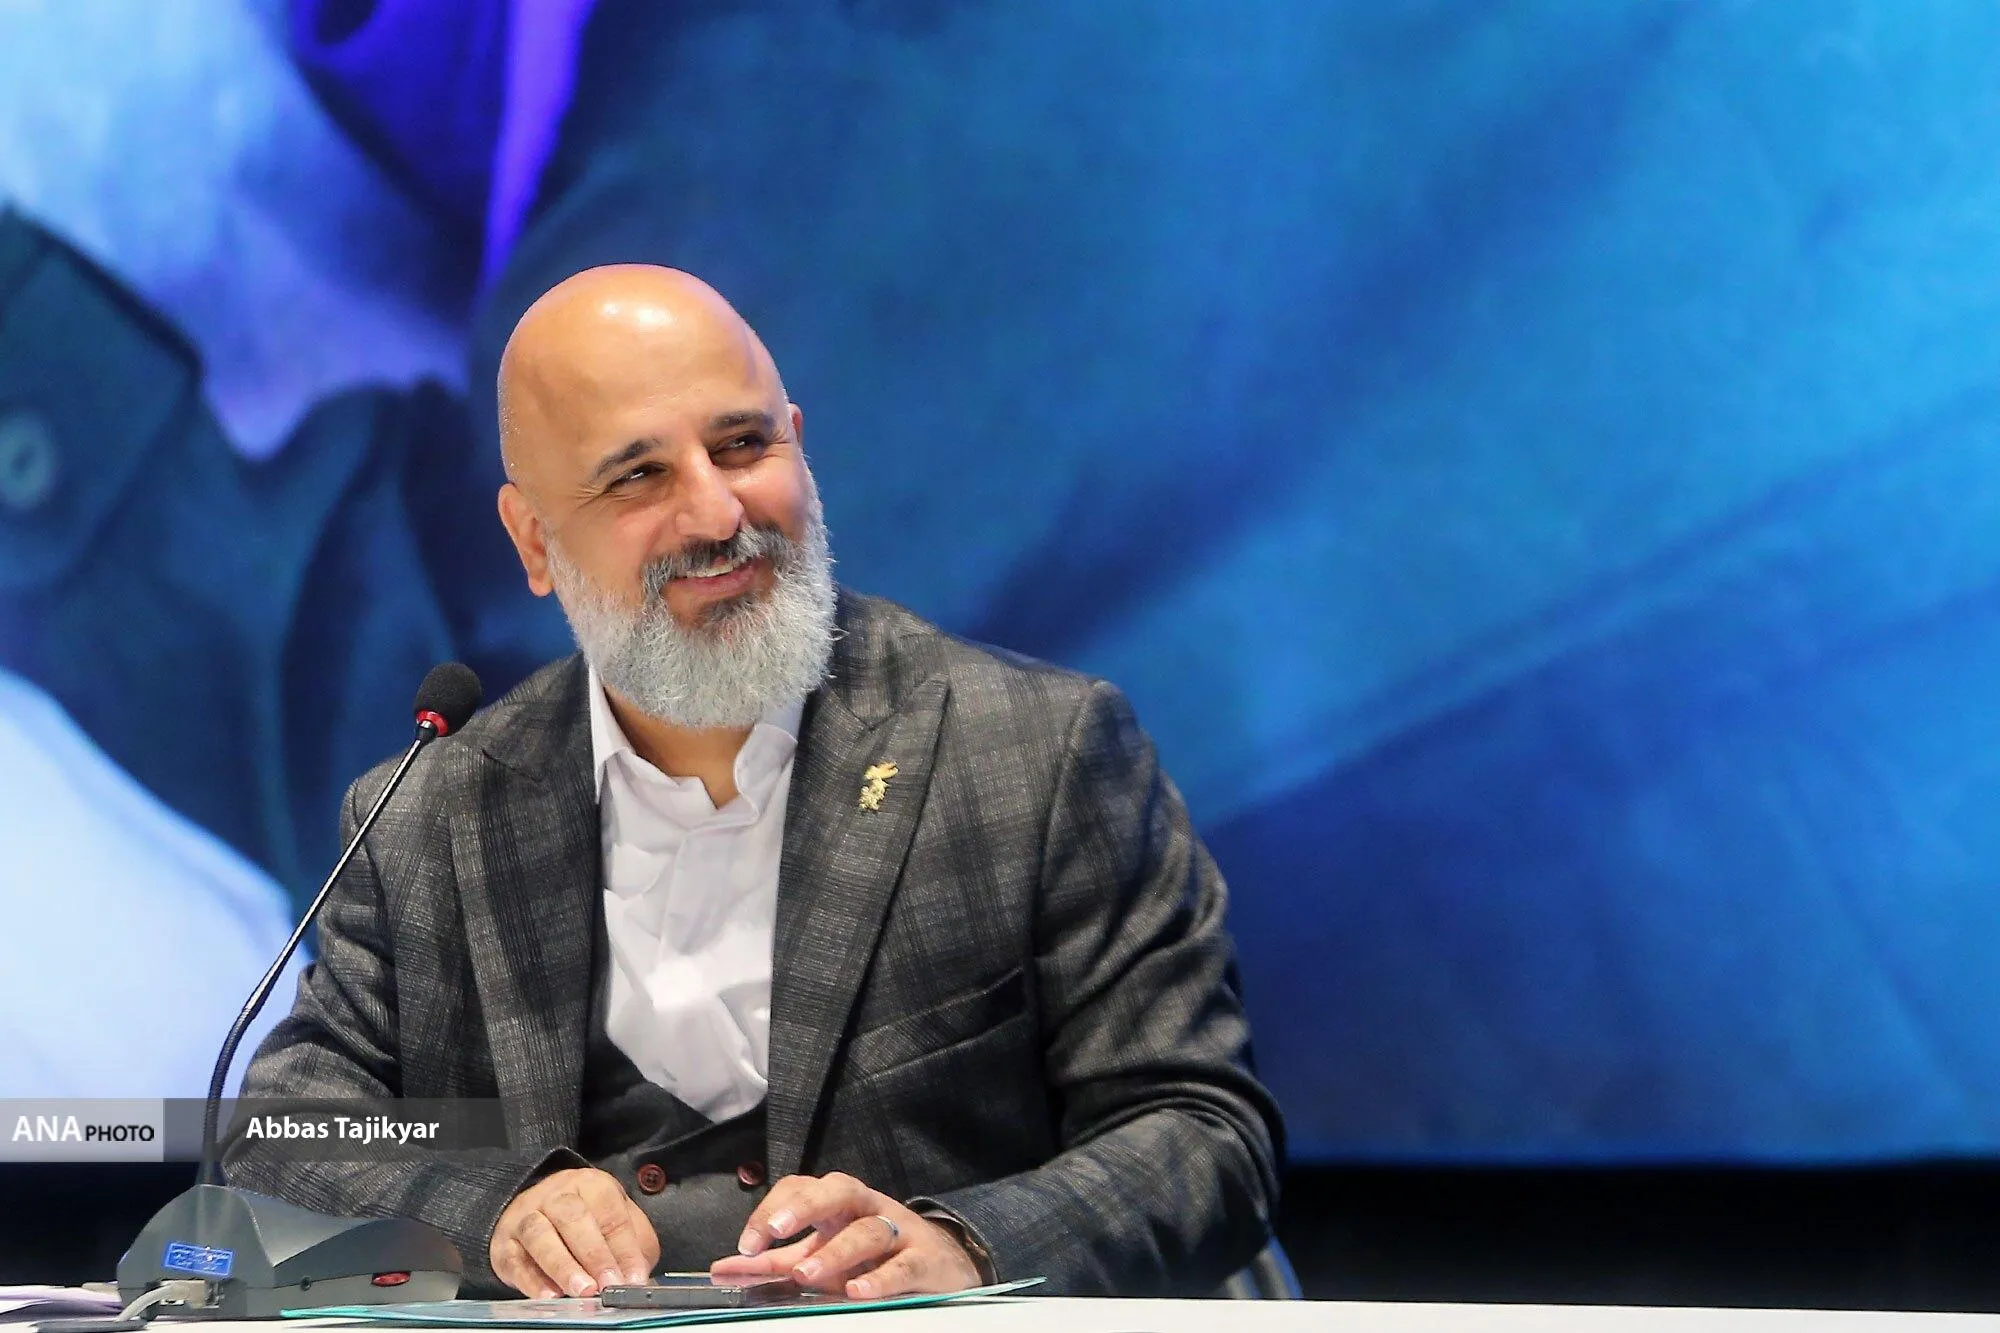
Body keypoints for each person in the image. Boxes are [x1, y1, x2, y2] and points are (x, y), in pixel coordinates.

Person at [225, 264, 1281, 1298]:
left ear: (799, 448)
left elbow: (1202, 1132)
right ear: (534, 538)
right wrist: (492, 1210)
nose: (717, 513)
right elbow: (284, 1131)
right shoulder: (432, 813)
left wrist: (968, 1248)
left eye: (742, 445)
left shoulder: (1035, 754)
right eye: (638, 476)